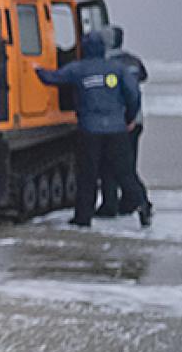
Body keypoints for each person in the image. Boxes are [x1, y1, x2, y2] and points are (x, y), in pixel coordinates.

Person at [35, 31, 151, 228]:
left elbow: (53, 78)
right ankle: (143, 208)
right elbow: (133, 93)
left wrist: (37, 69)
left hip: (90, 130)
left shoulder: (78, 69)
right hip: (116, 130)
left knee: (87, 174)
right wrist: (129, 118)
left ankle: (83, 217)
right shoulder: (116, 68)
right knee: (125, 173)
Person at [96, 25, 150, 217]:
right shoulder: (133, 60)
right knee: (128, 164)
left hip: (116, 122)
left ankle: (112, 204)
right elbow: (143, 77)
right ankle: (130, 201)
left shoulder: (107, 63)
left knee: (109, 165)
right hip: (136, 121)